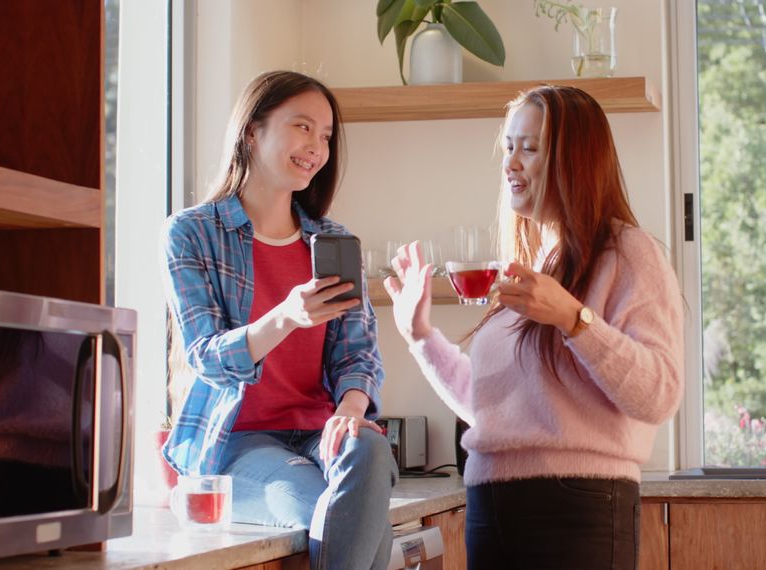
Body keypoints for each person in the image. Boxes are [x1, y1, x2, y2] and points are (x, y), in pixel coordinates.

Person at [384, 85, 685, 570]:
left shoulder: (629, 254)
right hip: (492, 506)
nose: (511, 163)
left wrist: (573, 319)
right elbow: (493, 407)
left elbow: (659, 394)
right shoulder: (529, 268)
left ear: (575, 160)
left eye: (529, 148)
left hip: (576, 508)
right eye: (508, 146)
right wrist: (419, 336)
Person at [160, 70, 397, 570]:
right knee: (335, 513)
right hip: (237, 443)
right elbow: (205, 356)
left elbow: (359, 353)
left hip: (319, 433)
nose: (317, 146)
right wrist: (286, 317)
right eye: (302, 127)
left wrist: (350, 411)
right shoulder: (192, 234)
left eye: (326, 136)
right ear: (252, 130)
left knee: (371, 453)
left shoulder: (330, 240)